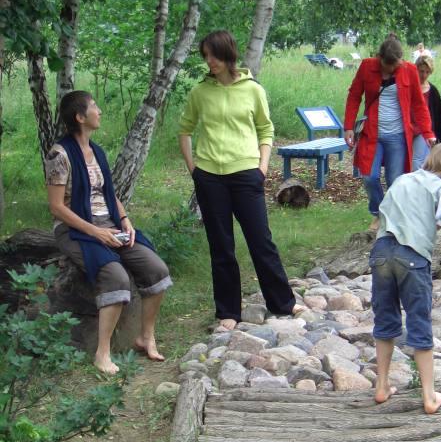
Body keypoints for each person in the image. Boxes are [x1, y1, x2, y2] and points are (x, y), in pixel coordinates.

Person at [179, 30, 305, 331]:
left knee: (261, 241)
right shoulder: (200, 92)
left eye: (214, 55)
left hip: (247, 174)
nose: (209, 61)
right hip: (209, 177)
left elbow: (266, 129)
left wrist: (262, 167)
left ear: (228, 54)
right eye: (205, 56)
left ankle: (283, 302)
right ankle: (228, 312)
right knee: (221, 246)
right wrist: (194, 169)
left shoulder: (253, 90)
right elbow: (185, 130)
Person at [46, 91, 172, 375]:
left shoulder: (97, 152)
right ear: (80, 117)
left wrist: (125, 219)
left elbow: (108, 194)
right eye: (94, 107)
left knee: (156, 269)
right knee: (116, 276)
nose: (99, 111)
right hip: (75, 230)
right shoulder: (59, 154)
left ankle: (146, 336)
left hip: (110, 224)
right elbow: (56, 207)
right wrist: (95, 232)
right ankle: (102, 353)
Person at [370, 142, 441, 413]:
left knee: (384, 318)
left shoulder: (403, 179)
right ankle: (430, 396)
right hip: (412, 257)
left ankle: (382, 386)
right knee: (418, 322)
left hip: (381, 253)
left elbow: (383, 213)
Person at [343, 34, 436, 231]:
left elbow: (419, 104)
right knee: (369, 176)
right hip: (372, 134)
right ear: (380, 58)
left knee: (396, 180)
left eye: (394, 66)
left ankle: (391, 218)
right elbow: (354, 96)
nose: (390, 70)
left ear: (400, 61)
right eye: (387, 66)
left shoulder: (409, 70)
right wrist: (348, 126)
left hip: (398, 136)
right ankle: (378, 212)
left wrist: (427, 132)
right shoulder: (367, 66)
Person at [411, 55, 441, 171]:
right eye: (421, 71)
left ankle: (420, 181)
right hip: (407, 128)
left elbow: (439, 117)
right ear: (416, 69)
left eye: (427, 72)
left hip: (423, 131)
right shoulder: (408, 87)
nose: (424, 75)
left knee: (417, 162)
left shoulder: (432, 91)